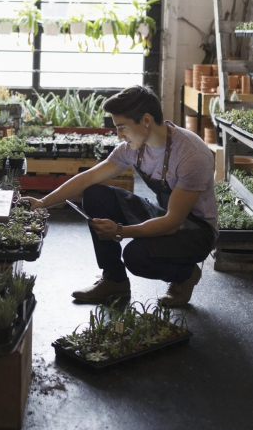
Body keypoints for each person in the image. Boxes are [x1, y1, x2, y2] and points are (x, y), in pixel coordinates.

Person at [23, 85, 218, 306]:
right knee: (95, 195)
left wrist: (119, 231)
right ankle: (114, 281)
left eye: (122, 127)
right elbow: (88, 178)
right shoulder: (132, 148)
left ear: (146, 120)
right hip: (164, 213)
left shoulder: (191, 154)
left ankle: (185, 275)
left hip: (196, 231)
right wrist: (42, 202)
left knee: (136, 256)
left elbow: (173, 223)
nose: (119, 135)